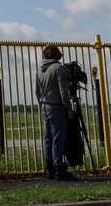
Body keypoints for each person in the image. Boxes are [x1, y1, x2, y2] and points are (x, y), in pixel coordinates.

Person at [35, 45, 76, 181]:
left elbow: (37, 91)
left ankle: (49, 169)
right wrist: (68, 108)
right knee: (58, 138)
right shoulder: (58, 68)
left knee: (48, 139)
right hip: (56, 107)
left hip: (45, 106)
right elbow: (63, 90)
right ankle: (59, 168)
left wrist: (41, 103)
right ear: (57, 54)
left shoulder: (40, 70)